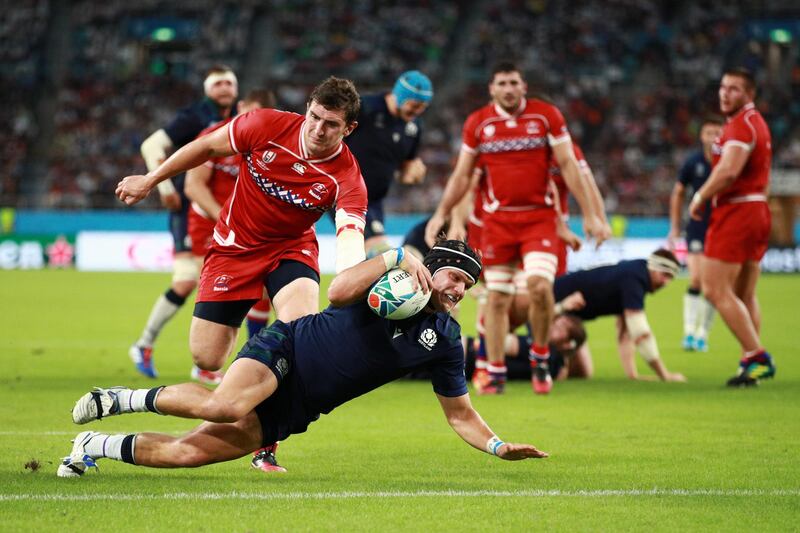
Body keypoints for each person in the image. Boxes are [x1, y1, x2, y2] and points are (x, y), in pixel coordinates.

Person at [57, 240, 548, 478]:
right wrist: (394, 257)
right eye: (455, 277)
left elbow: (460, 414)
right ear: (431, 270)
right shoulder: (388, 280)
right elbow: (336, 292)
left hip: (302, 406)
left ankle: (93, 446)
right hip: (288, 348)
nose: (460, 289)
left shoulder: (446, 339)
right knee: (225, 404)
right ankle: (118, 397)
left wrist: (500, 446)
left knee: (189, 453)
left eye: (468, 284)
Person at [117, 77, 369, 466]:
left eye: (331, 124)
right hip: (233, 250)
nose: (319, 129)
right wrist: (150, 179)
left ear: (348, 128)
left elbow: (351, 236)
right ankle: (241, 382)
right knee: (207, 359)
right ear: (307, 108)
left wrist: (353, 278)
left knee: (299, 331)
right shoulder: (265, 125)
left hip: (291, 249)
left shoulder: (347, 178)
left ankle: (264, 435)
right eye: (315, 117)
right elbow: (204, 147)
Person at [425, 61, 610, 395]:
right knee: (495, 298)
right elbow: (463, 175)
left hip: (539, 220)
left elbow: (570, 165)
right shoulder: (479, 123)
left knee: (539, 287)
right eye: (502, 83)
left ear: (523, 87)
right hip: (497, 224)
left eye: (514, 82)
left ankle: (539, 354)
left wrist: (592, 214)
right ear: (492, 89)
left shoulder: (545, 116)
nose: (508, 89)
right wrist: (443, 213)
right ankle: (494, 371)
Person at [130, 64, 239, 379]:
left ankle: (202, 360)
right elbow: (151, 146)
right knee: (191, 280)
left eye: (229, 83)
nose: (224, 89)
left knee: (211, 281)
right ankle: (149, 345)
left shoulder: (238, 117)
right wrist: (164, 188)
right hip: (189, 209)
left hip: (220, 212)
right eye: (218, 84)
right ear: (207, 90)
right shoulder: (194, 117)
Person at [689, 68, 776, 387]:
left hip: (737, 210)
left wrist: (700, 196)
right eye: (723, 87)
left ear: (749, 94)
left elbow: (728, 171)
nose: (725, 93)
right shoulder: (754, 124)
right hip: (756, 209)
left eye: (735, 89)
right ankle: (748, 364)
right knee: (744, 293)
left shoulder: (741, 126)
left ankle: (756, 355)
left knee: (713, 289)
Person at [183, 88, 277, 383]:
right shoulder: (213, 135)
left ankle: (254, 358)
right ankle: (205, 364)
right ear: (242, 106)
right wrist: (226, 218)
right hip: (209, 224)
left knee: (263, 291)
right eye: (250, 112)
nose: (253, 119)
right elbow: (193, 186)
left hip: (248, 228)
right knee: (221, 292)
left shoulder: (266, 142)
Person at [553, 249, 687, 382]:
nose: (666, 282)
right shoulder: (635, 278)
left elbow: (625, 332)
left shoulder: (635, 273)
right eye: (664, 275)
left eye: (670, 278)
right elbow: (640, 333)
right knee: (557, 369)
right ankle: (544, 363)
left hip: (566, 317)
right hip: (550, 311)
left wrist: (632, 376)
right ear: (653, 268)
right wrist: (664, 375)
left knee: (582, 373)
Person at [344, 70, 432, 257]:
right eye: (414, 105)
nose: (417, 112)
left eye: (423, 107)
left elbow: (407, 165)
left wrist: (412, 172)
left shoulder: (413, 128)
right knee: (379, 251)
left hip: (374, 201)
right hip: (346, 191)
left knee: (363, 256)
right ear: (400, 96)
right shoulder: (364, 108)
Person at [668, 116, 723, 352]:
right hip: (698, 228)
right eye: (708, 133)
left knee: (714, 285)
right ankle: (689, 332)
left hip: (722, 227)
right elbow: (678, 193)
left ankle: (703, 334)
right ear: (701, 136)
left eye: (716, 133)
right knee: (697, 280)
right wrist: (674, 227)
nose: (712, 138)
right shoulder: (693, 163)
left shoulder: (729, 162)